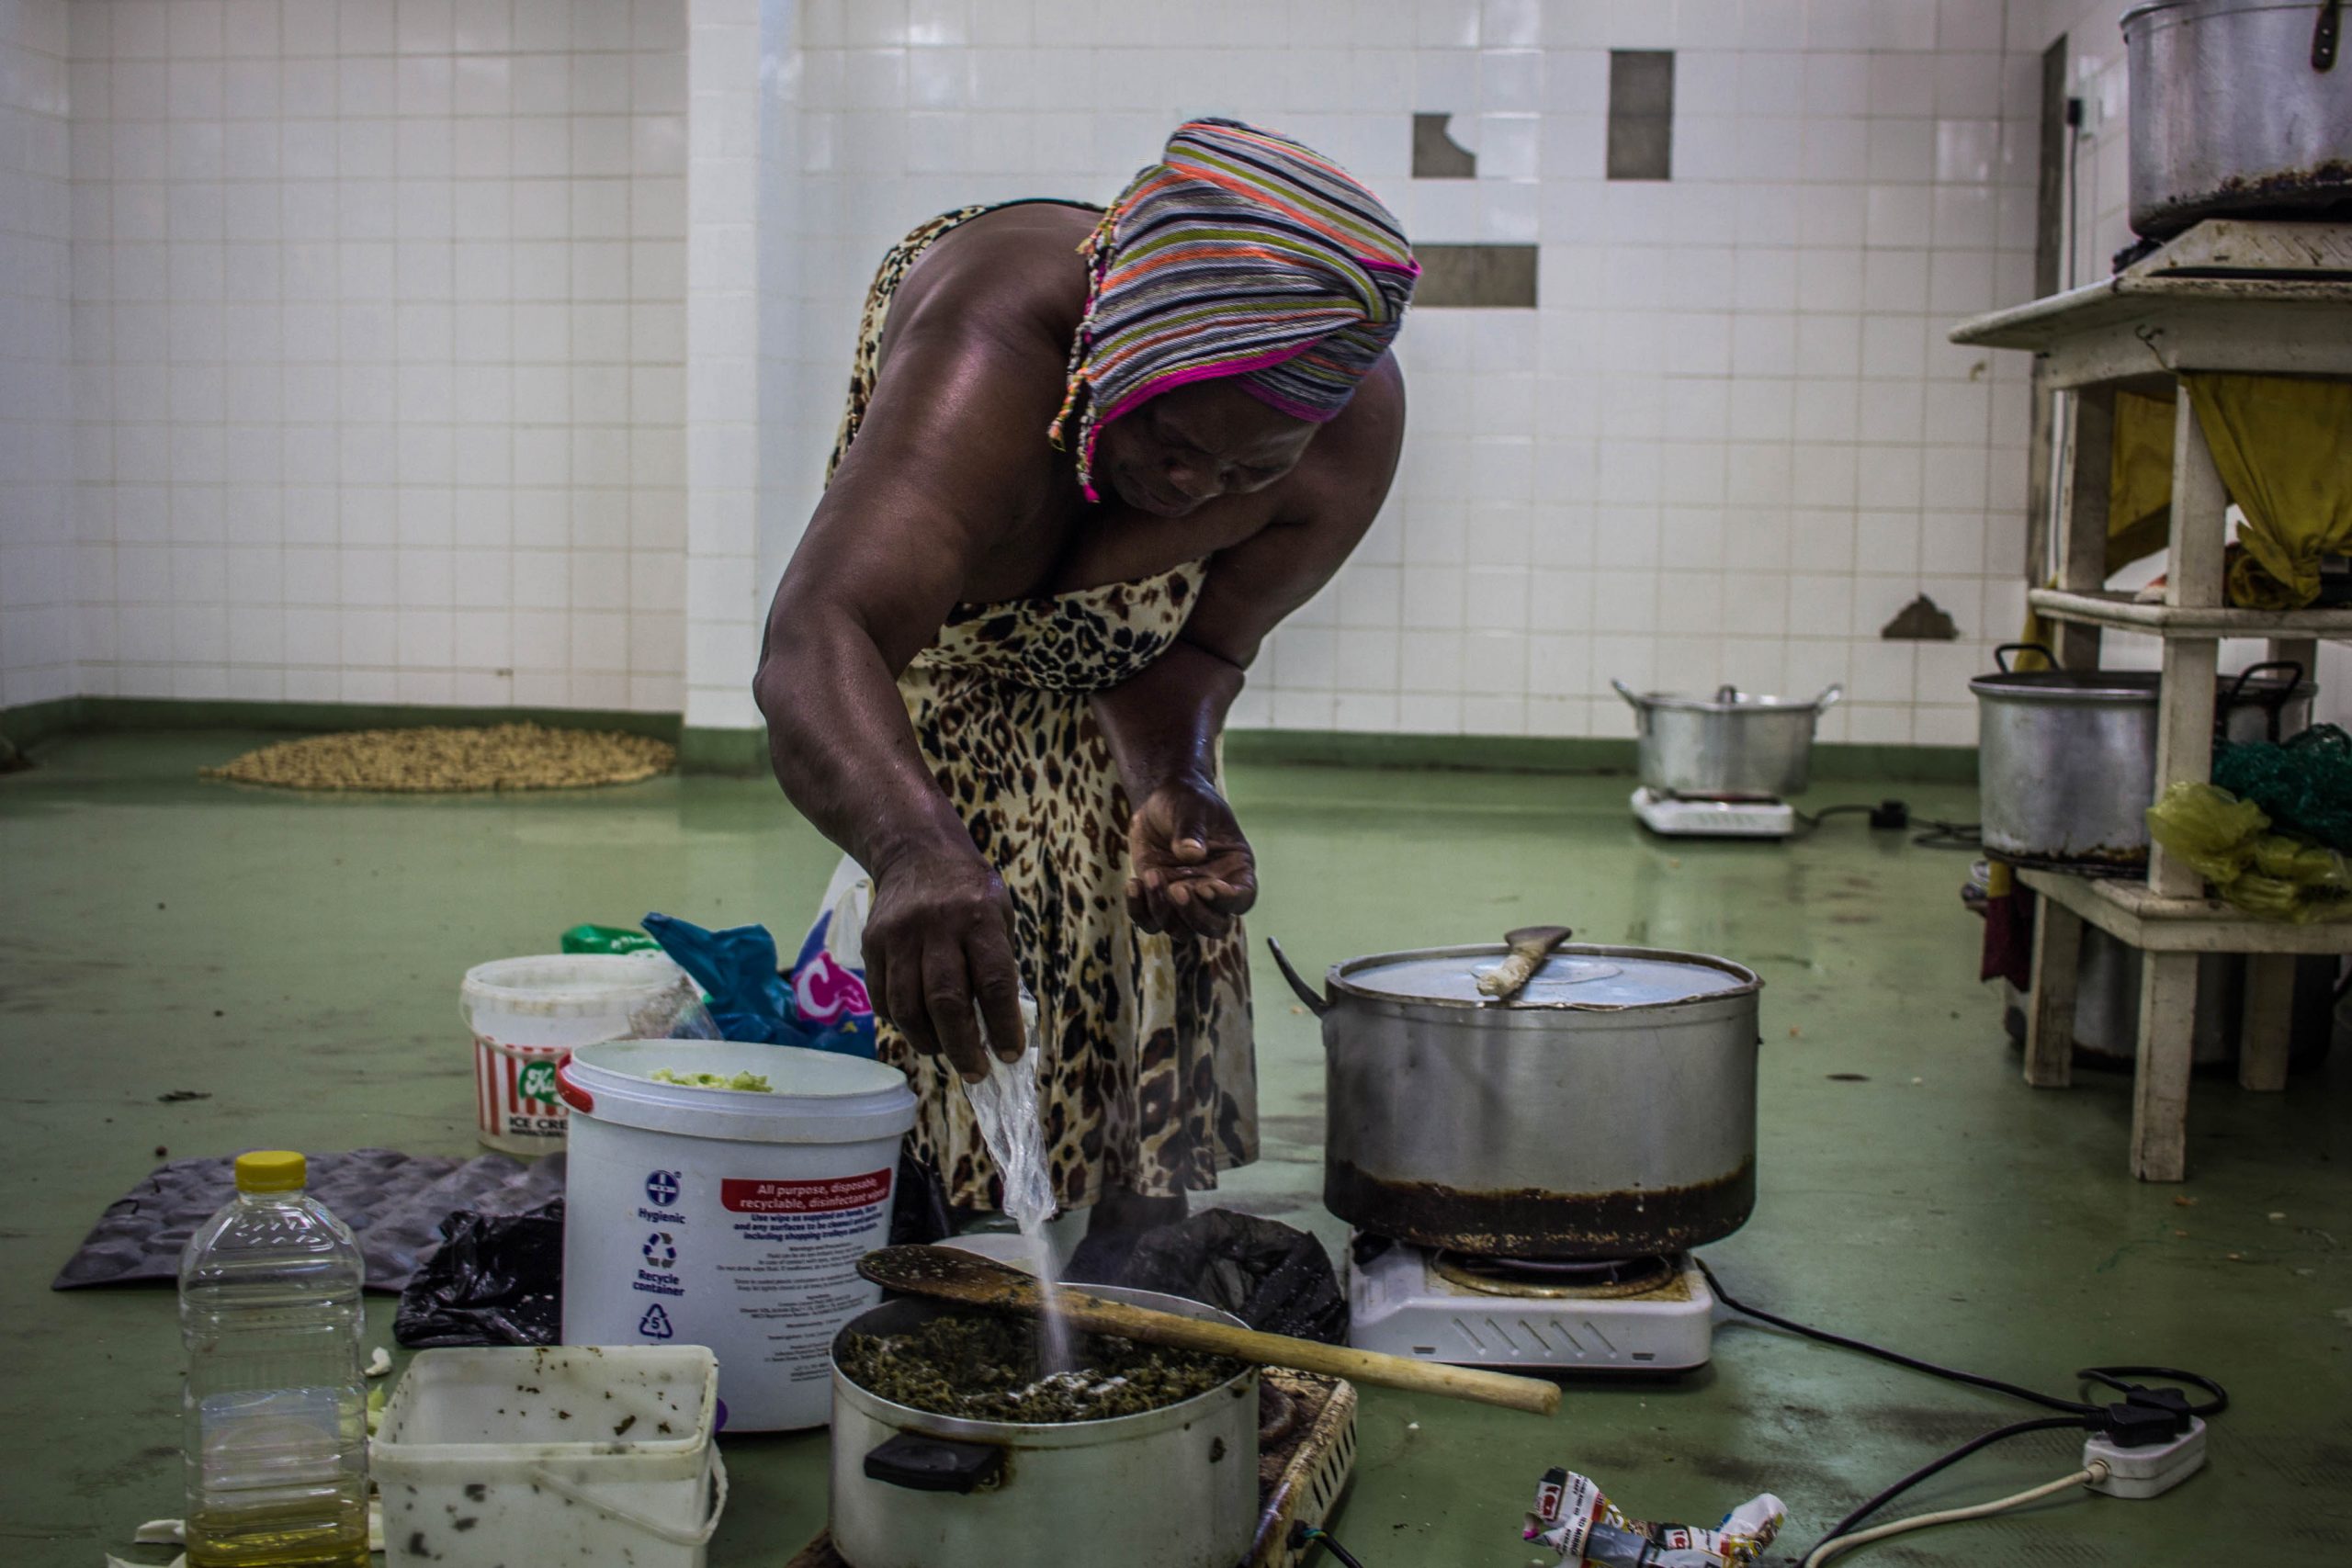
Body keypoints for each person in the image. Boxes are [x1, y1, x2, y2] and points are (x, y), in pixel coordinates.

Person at [754, 119, 1416, 1234]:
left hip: (1095, 674)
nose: (1197, 490)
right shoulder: (997, 350)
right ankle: (917, 1237)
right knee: (933, 993)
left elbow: (1203, 646)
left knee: (1128, 1005)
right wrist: (915, 848)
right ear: (1119, 356)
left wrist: (1177, 777)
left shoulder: (1346, 431)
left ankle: (1113, 1270)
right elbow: (820, 636)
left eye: (1247, 470)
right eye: (1172, 439)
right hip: (918, 674)